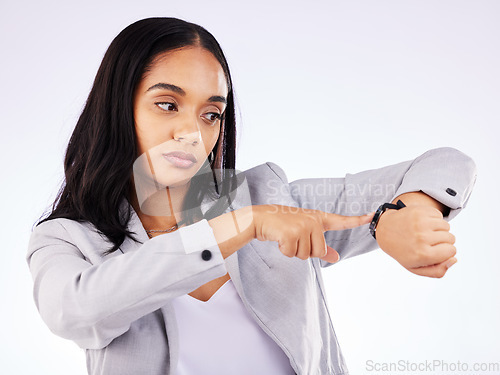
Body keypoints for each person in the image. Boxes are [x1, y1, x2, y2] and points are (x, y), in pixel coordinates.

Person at [26, 17, 477, 375]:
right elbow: (76, 313)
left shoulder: (272, 197)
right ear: (118, 105)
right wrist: (240, 225)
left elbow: (446, 163)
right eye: (167, 104)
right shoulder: (68, 239)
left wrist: (407, 210)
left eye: (211, 114)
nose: (190, 133)